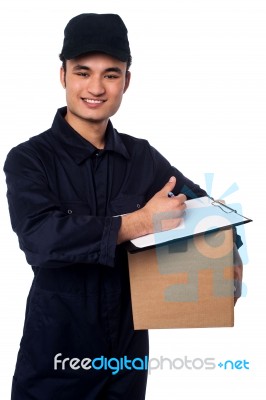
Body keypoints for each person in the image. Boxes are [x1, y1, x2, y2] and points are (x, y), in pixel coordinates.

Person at [3, 13, 242, 400]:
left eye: (111, 74)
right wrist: (136, 223)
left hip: (127, 357)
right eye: (83, 72)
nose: (96, 87)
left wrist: (230, 247)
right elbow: (40, 238)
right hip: (57, 356)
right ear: (63, 75)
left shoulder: (140, 157)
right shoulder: (30, 159)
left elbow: (201, 205)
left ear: (126, 81)